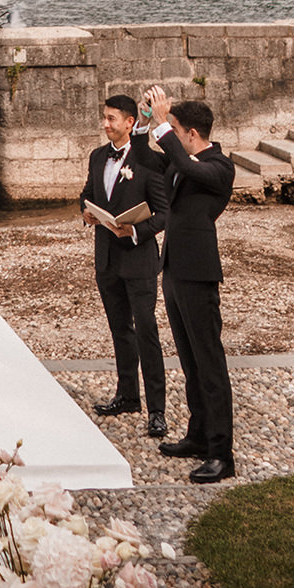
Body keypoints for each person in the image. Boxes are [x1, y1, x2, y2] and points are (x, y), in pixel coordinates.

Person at [141, 82, 236, 482]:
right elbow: (153, 157)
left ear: (191, 134)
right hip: (175, 271)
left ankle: (221, 454)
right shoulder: (182, 165)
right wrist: (147, 121)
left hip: (199, 274)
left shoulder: (218, 166)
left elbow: (185, 164)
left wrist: (164, 124)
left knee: (210, 364)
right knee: (190, 361)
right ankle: (197, 436)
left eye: (175, 130)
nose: (170, 138)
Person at [80, 92, 169, 438]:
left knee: (147, 332)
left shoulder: (147, 162)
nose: (105, 124)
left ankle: (157, 410)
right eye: (104, 117)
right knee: (120, 329)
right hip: (106, 259)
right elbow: (87, 192)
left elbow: (163, 213)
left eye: (111, 118)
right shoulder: (97, 156)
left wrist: (134, 230)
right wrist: (85, 211)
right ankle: (128, 395)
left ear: (130, 123)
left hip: (139, 259)